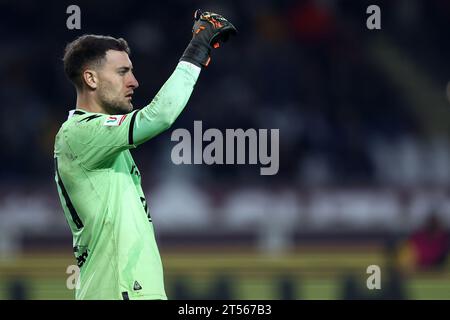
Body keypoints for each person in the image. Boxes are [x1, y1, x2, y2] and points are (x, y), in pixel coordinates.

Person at [54, 10, 237, 300]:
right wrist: (197, 49)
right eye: (122, 72)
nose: (134, 82)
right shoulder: (78, 134)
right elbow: (159, 116)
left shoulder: (106, 144)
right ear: (90, 78)